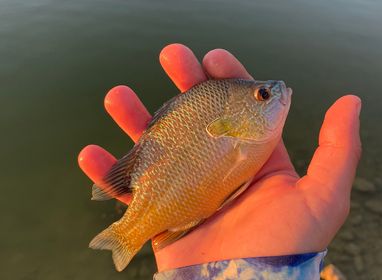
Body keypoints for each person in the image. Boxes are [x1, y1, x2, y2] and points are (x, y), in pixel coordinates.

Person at [78, 43, 362, 279]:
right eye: (263, 95)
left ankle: (129, 232)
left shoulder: (249, 142)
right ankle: (127, 233)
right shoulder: (248, 142)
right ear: (232, 122)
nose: (274, 92)